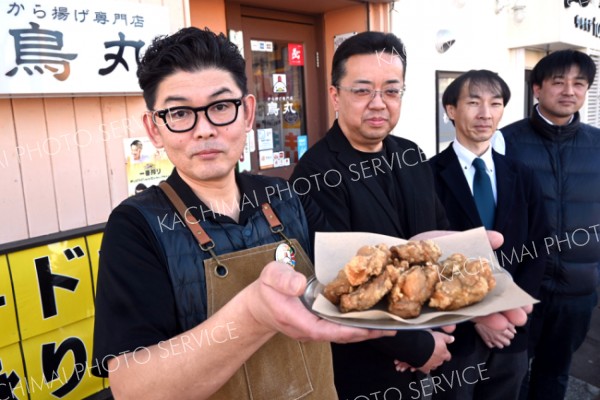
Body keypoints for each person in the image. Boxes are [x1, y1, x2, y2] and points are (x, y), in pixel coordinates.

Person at [91, 27, 395, 400]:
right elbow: (131, 388)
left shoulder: (285, 195)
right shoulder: (137, 226)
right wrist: (253, 316)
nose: (204, 131)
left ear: (247, 112)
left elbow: (348, 276)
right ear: (154, 128)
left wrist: (409, 256)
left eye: (220, 107)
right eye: (180, 113)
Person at [290, 31, 531, 400]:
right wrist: (415, 346)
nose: (378, 103)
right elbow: (333, 286)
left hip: (433, 351)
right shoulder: (314, 173)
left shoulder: (411, 154)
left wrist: (470, 303)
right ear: (335, 95)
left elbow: (438, 239)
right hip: (367, 366)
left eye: (391, 90)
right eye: (362, 90)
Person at [428, 70, 548, 400]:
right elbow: (428, 257)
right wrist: (476, 317)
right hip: (459, 334)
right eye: (473, 102)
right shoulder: (426, 176)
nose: (485, 113)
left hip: (512, 330)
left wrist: (508, 312)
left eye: (495, 104)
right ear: (451, 110)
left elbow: (539, 246)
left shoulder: (521, 175)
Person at [500, 49, 600, 400]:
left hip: (578, 291)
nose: (569, 91)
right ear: (537, 89)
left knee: (555, 375)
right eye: (559, 82)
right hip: (523, 289)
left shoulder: (597, 144)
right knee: (508, 373)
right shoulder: (505, 142)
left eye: (579, 83)